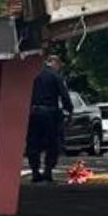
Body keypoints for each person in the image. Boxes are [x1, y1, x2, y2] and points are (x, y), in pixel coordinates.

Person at [27, 55, 74, 183]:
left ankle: (35, 171)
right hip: (50, 113)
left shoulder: (33, 75)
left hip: (33, 113)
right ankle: (48, 170)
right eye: (59, 65)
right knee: (53, 143)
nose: (59, 68)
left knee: (33, 143)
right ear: (55, 63)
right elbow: (64, 95)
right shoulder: (55, 76)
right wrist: (69, 110)